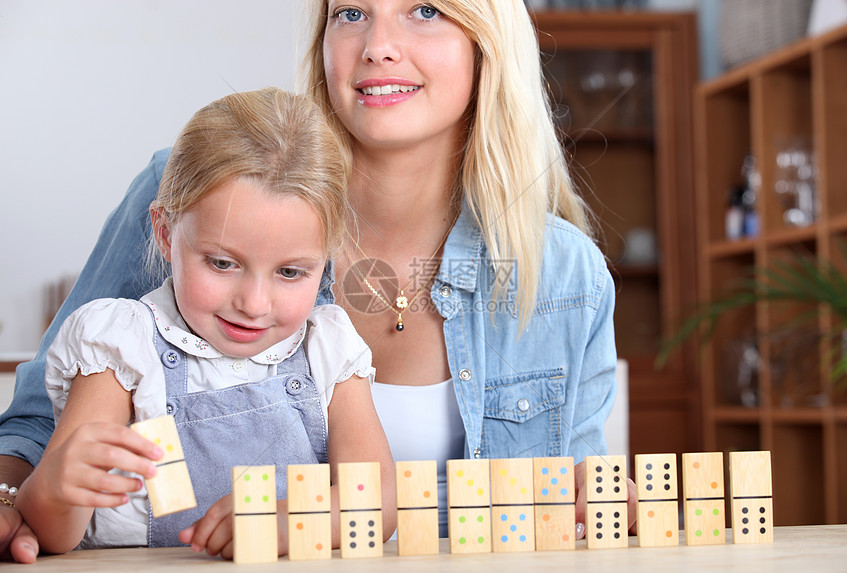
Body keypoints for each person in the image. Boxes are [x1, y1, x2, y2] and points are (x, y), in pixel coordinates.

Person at [0, 0, 634, 562]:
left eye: (426, 10)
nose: (377, 45)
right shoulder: (207, 196)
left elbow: (581, 485)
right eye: (350, 14)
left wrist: (606, 500)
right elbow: (34, 431)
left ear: (486, 41)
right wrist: (13, 498)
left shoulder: (561, 271)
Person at [11, 87, 396, 558]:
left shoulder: (327, 348)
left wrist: (299, 520)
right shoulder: (121, 346)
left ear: (327, 259)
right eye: (221, 263)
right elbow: (52, 534)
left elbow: (378, 503)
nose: (254, 304)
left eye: (291, 272)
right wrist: (53, 489)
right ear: (165, 231)